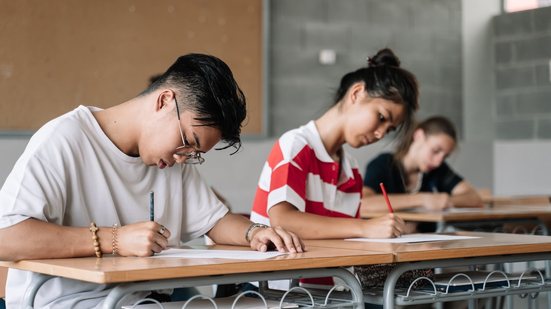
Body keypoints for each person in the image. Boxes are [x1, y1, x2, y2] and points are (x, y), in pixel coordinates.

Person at [0, 53, 303, 308]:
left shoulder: (172, 161)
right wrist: (114, 239)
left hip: (137, 300)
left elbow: (215, 221)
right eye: (187, 141)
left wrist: (254, 232)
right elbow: (6, 238)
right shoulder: (65, 139)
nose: (184, 157)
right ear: (164, 101)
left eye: (195, 153)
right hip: (67, 302)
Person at [251, 48, 418, 285]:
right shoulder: (296, 145)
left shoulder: (351, 170)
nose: (380, 133)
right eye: (381, 117)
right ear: (357, 93)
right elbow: (283, 221)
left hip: (328, 292)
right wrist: (364, 228)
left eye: (389, 129)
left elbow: (345, 240)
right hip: (279, 290)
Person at [362, 116, 483, 218]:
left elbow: (474, 198)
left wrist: (445, 200)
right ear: (419, 136)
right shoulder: (383, 164)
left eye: (445, 156)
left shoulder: (437, 169)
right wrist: (422, 200)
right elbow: (364, 203)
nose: (438, 162)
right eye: (435, 150)